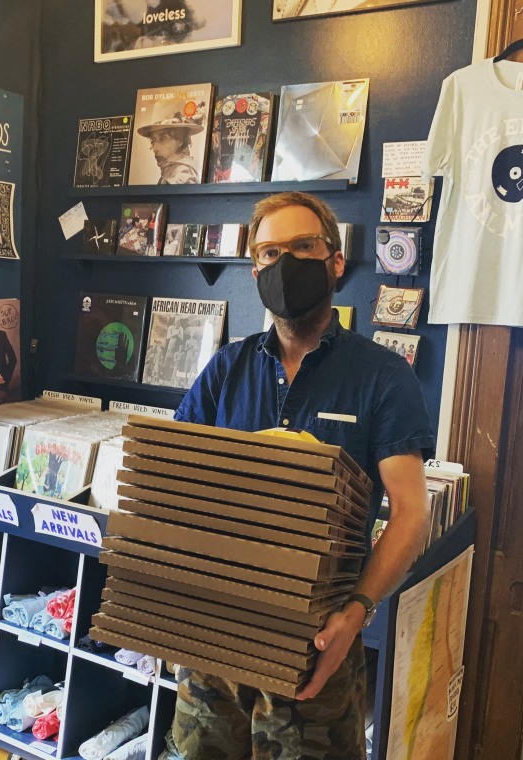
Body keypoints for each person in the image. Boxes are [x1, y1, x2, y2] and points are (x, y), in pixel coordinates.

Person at [171, 192, 435, 759]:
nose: (285, 263)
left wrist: (356, 612)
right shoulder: (227, 367)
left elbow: (412, 516)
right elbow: (176, 483)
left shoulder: (383, 377)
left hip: (316, 651)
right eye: (269, 252)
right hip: (213, 642)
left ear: (336, 261)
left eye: (303, 246)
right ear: (254, 269)